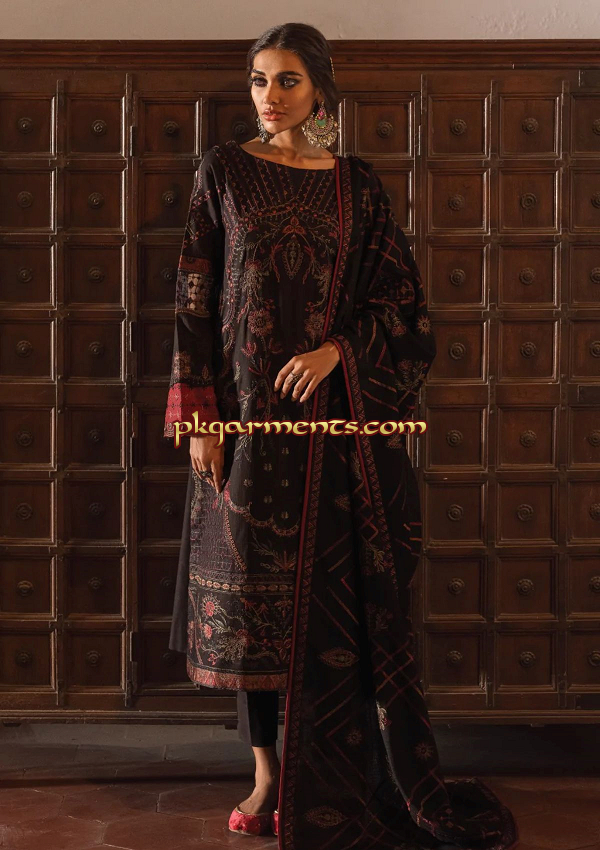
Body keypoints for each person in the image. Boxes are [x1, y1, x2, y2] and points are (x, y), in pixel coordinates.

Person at [164, 21, 518, 850]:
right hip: (246, 427)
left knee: (335, 604)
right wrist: (199, 418)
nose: (270, 96)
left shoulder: (357, 187)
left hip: (336, 432)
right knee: (253, 606)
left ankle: (335, 771)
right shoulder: (224, 172)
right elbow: (192, 293)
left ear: (320, 87)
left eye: (287, 80)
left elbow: (403, 306)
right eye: (259, 80)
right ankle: (266, 774)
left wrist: (338, 352)